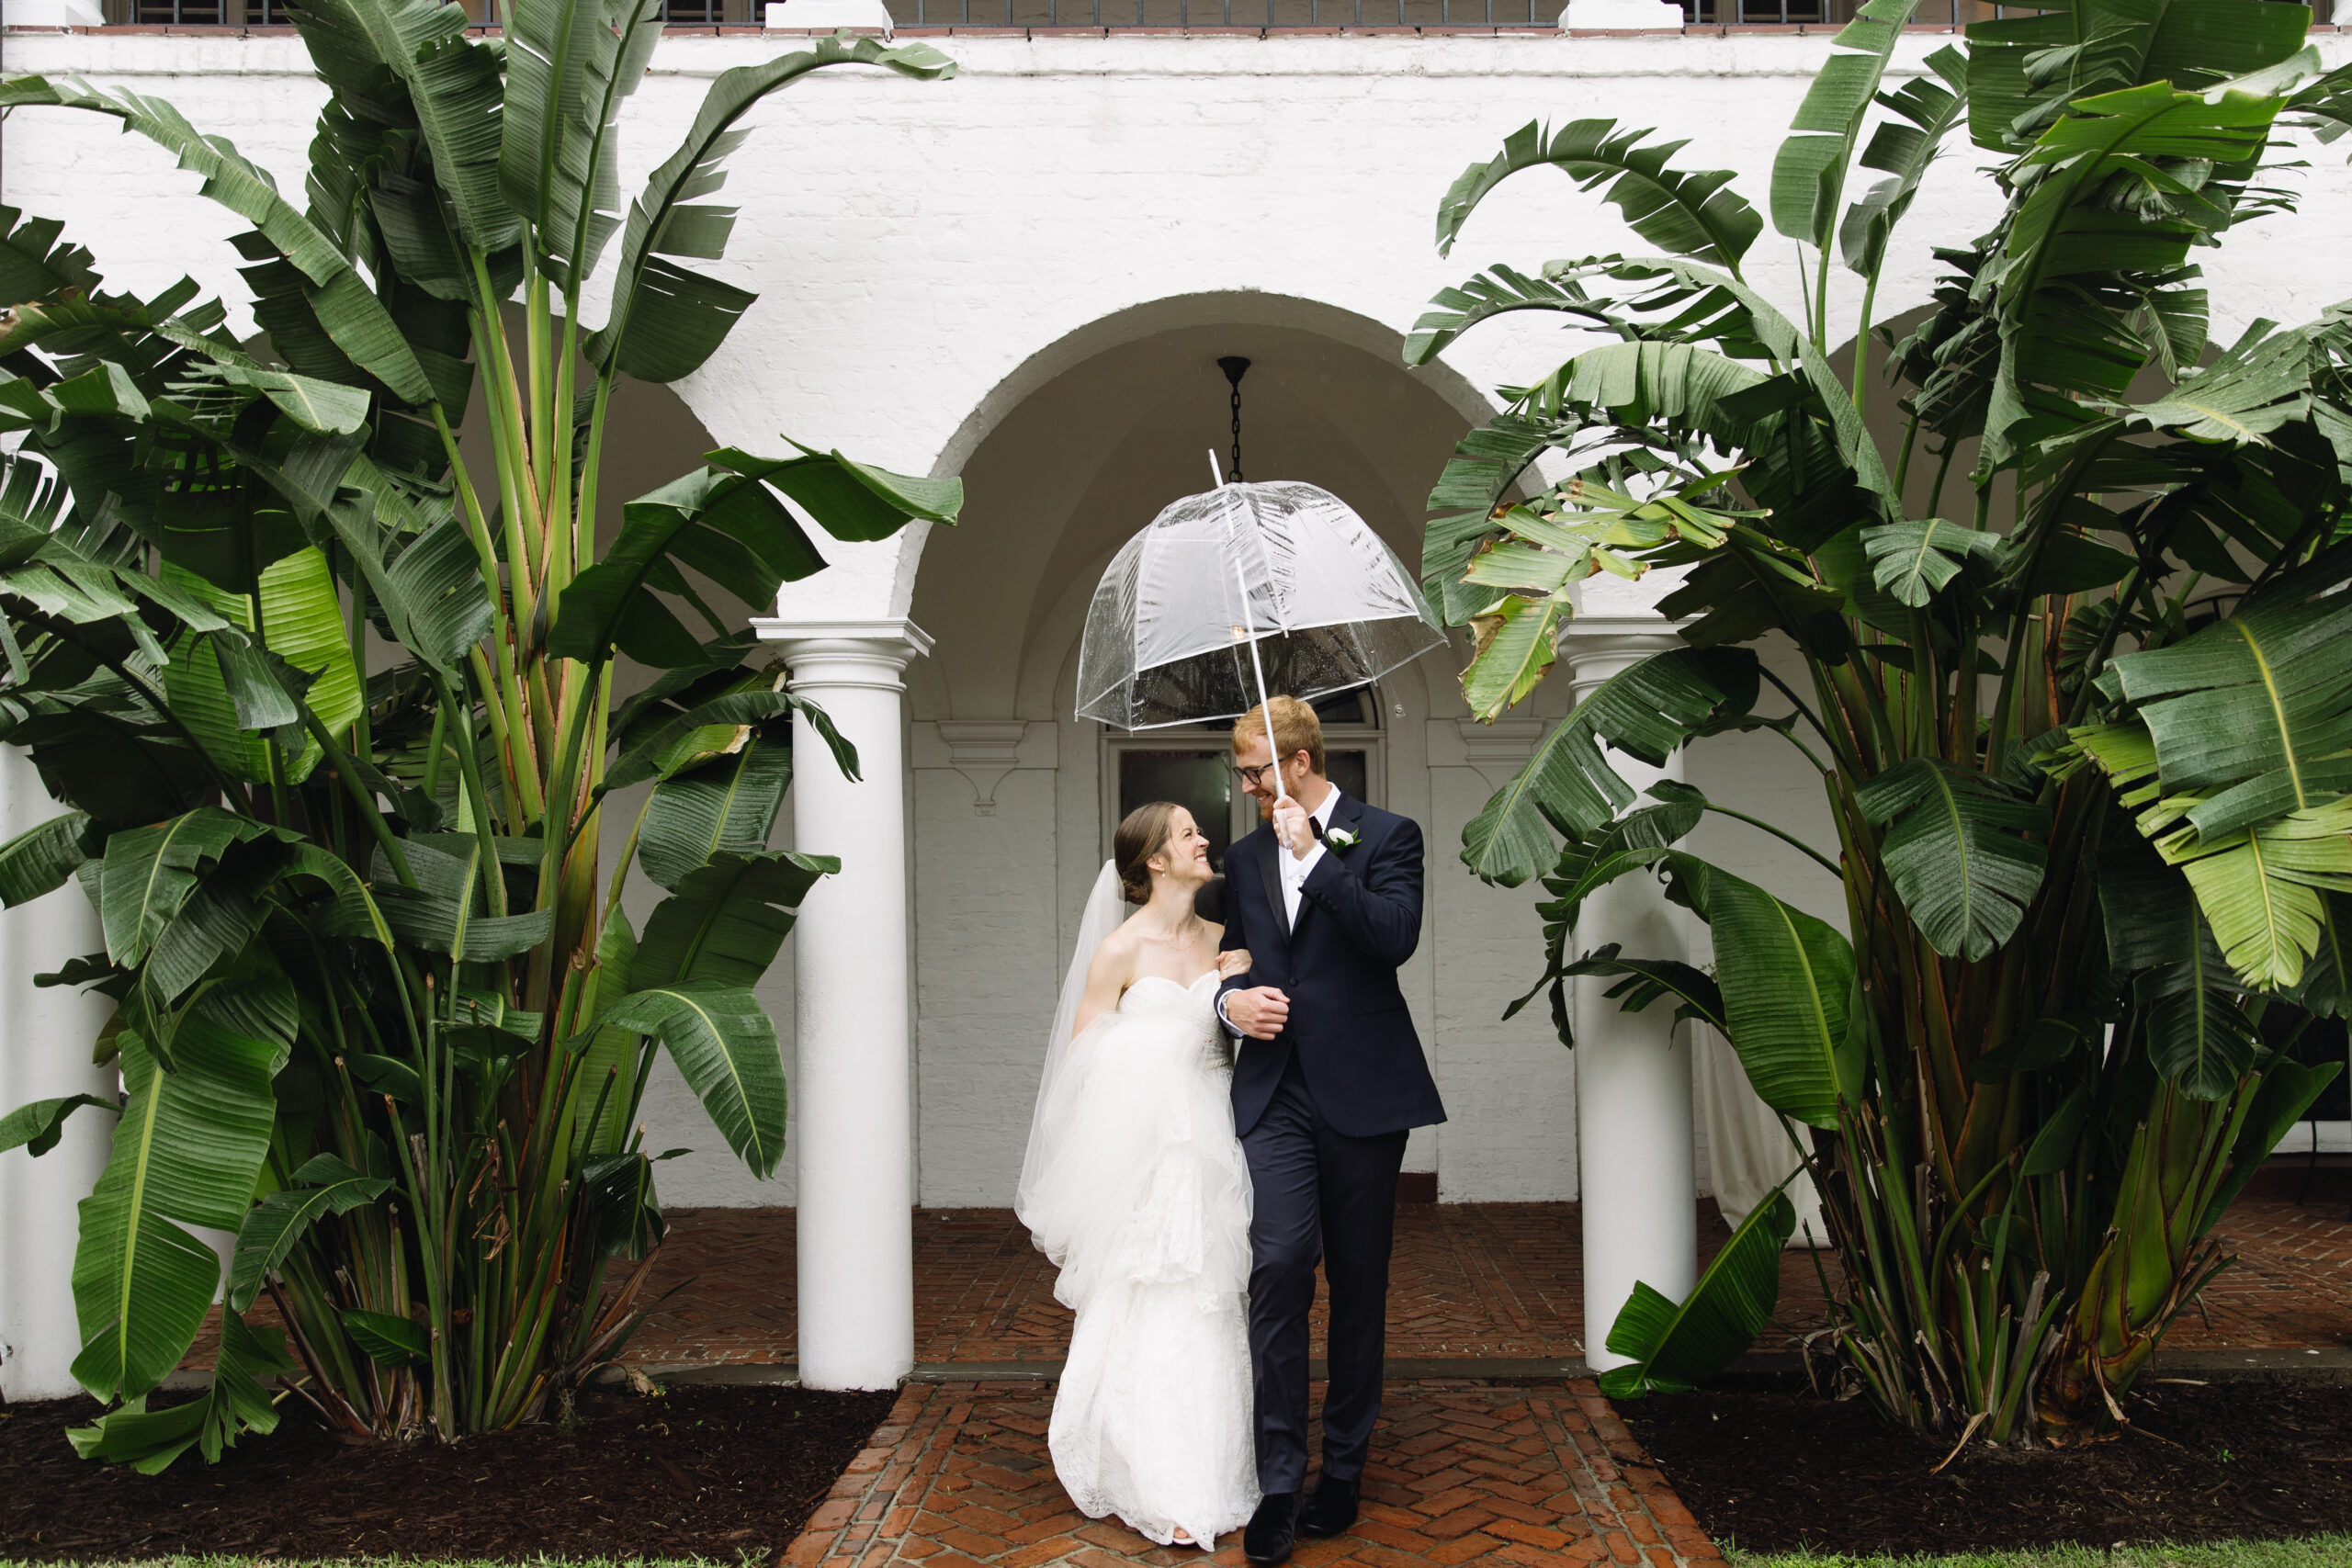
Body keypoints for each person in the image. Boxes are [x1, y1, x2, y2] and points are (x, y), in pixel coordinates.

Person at [1216, 694, 1447, 1566]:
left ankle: (1342, 1468)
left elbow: (1393, 937)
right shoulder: (1240, 857)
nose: (1244, 788)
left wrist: (1316, 859)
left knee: (1358, 1279)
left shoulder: (1388, 835)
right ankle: (1280, 1478)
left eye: (1253, 771)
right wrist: (1230, 1005)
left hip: (1363, 1093)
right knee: (1277, 1264)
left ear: (1301, 762)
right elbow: (1231, 956)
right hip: (1274, 1090)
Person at [1015, 802, 1262, 1551]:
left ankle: (1216, 1469)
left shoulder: (1229, 943)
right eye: (1188, 832)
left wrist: (1237, 997)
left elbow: (1248, 1045)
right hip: (1151, 1150)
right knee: (1155, 1295)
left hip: (1218, 1142)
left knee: (1214, 1298)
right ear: (1155, 858)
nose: (1203, 840)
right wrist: (1163, 1047)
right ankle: (1158, 1477)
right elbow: (1083, 1058)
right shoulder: (1119, 950)